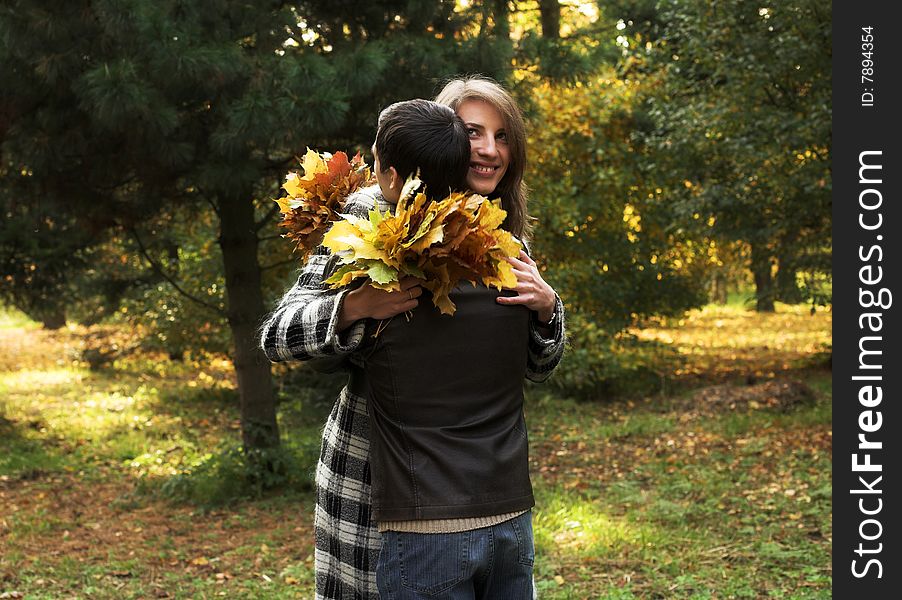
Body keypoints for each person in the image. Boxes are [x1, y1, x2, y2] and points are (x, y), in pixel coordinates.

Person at [260, 77, 565, 600]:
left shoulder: (506, 237)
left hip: (491, 499)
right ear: (443, 135)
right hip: (379, 490)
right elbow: (279, 336)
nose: (490, 150)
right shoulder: (369, 220)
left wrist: (546, 311)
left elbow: (535, 369)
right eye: (473, 133)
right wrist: (351, 309)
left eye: (503, 136)